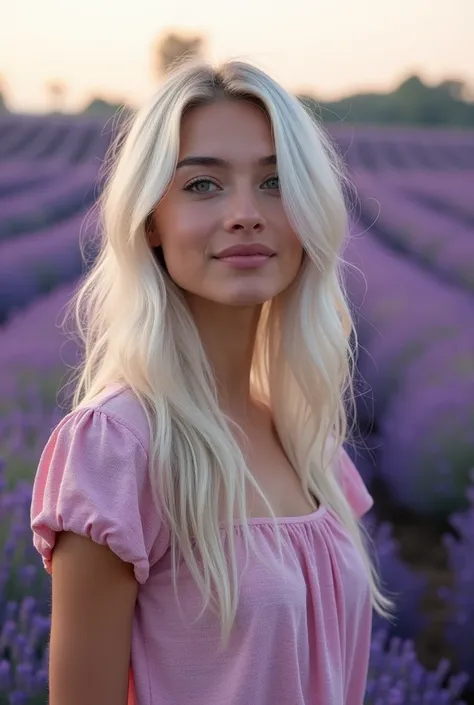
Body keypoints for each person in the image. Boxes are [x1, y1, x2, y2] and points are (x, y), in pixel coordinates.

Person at [30, 57, 394, 705]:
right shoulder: (118, 448)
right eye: (203, 185)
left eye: (277, 182)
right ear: (150, 221)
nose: (247, 213)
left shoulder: (308, 439)